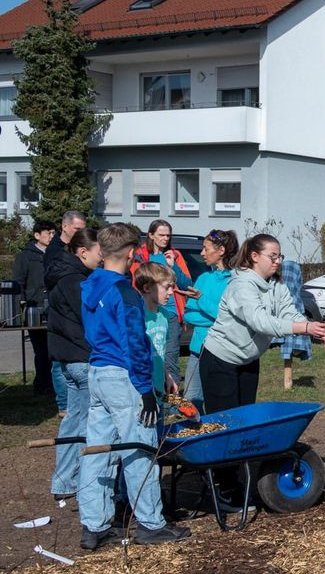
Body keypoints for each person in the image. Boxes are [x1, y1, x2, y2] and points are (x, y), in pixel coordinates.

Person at [78, 223, 189, 549]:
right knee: (139, 448)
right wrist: (144, 389)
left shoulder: (90, 284)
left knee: (98, 451)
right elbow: (135, 342)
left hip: (97, 372)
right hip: (123, 376)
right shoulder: (124, 292)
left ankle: (94, 525)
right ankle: (151, 524)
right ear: (130, 253)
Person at [201, 235, 325, 414]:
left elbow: (289, 313)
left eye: (279, 256)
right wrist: (305, 328)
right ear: (254, 256)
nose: (277, 261)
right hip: (220, 359)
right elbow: (260, 322)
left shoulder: (276, 285)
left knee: (245, 417)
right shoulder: (241, 285)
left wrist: (313, 328)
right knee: (224, 421)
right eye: (272, 256)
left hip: (248, 360)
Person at [46, 229, 100, 501]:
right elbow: (88, 321)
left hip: (67, 358)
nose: (102, 258)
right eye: (98, 252)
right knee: (89, 423)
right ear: (82, 252)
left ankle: (64, 480)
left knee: (74, 419)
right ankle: (81, 480)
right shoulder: (76, 282)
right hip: (81, 357)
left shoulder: (63, 277)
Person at [132, 220, 195, 387]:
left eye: (168, 235)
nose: (165, 238)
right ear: (151, 235)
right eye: (161, 235)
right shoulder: (140, 256)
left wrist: (173, 267)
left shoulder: (175, 255)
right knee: (150, 356)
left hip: (172, 314)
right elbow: (135, 285)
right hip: (148, 313)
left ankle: (172, 406)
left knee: (170, 360)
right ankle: (151, 394)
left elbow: (186, 284)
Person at [181, 229, 239, 412]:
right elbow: (188, 313)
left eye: (206, 249)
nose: (202, 253)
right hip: (197, 349)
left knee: (218, 402)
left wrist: (201, 299)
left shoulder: (234, 281)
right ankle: (196, 436)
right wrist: (212, 316)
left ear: (220, 250)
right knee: (190, 399)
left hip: (221, 351)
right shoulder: (204, 278)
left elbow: (228, 315)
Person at [44, 211, 87, 412]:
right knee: (61, 365)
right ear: (65, 227)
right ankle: (64, 405)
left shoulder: (73, 250)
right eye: (77, 229)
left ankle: (69, 407)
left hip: (67, 312)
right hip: (61, 311)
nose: (80, 233)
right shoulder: (56, 252)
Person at [14, 221, 55, 397]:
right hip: (34, 307)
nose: (52, 236)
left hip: (53, 307)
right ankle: (41, 385)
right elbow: (18, 281)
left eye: (54, 233)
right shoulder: (25, 256)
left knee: (53, 350)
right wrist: (21, 303)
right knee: (41, 351)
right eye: (48, 233)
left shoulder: (55, 254)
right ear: (37, 235)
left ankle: (54, 385)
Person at [134, 262, 180, 399]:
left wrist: (168, 376)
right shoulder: (137, 316)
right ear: (147, 288)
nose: (171, 292)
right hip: (141, 389)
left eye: (172, 287)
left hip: (159, 386)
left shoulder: (165, 315)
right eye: (167, 287)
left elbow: (160, 353)